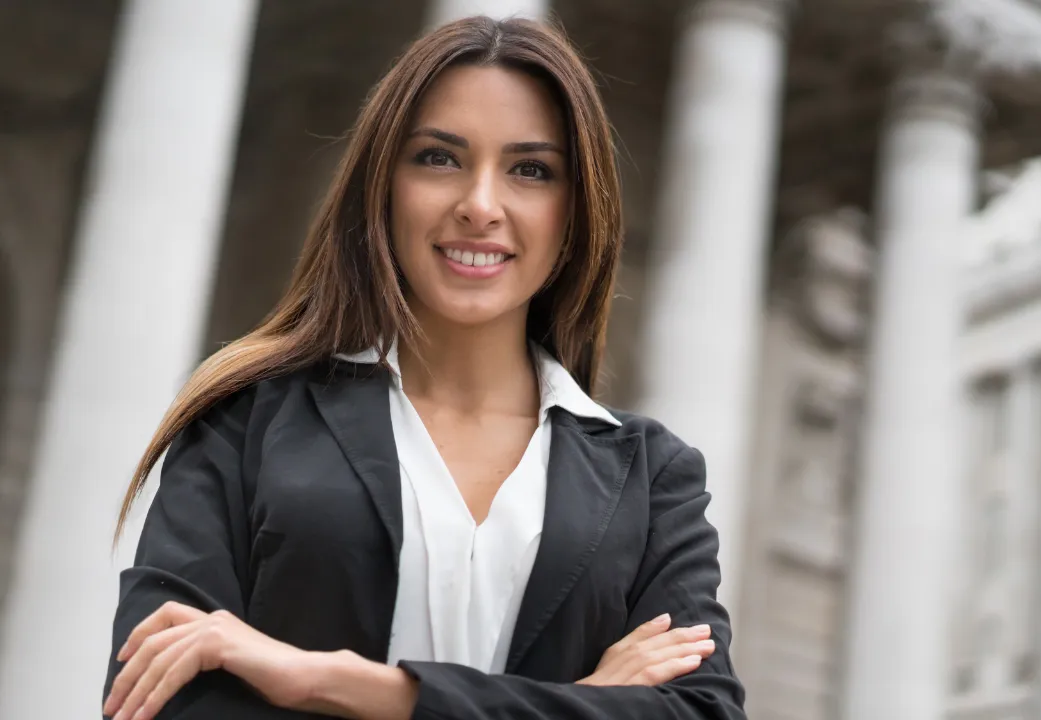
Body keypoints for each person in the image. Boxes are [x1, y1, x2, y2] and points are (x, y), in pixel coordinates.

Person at [99, 15, 743, 720]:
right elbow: (158, 699)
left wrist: (340, 684)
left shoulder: (651, 480)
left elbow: (702, 713)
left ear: (575, 210)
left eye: (531, 170)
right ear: (384, 182)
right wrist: (583, 703)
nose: (480, 206)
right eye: (439, 158)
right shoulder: (244, 421)